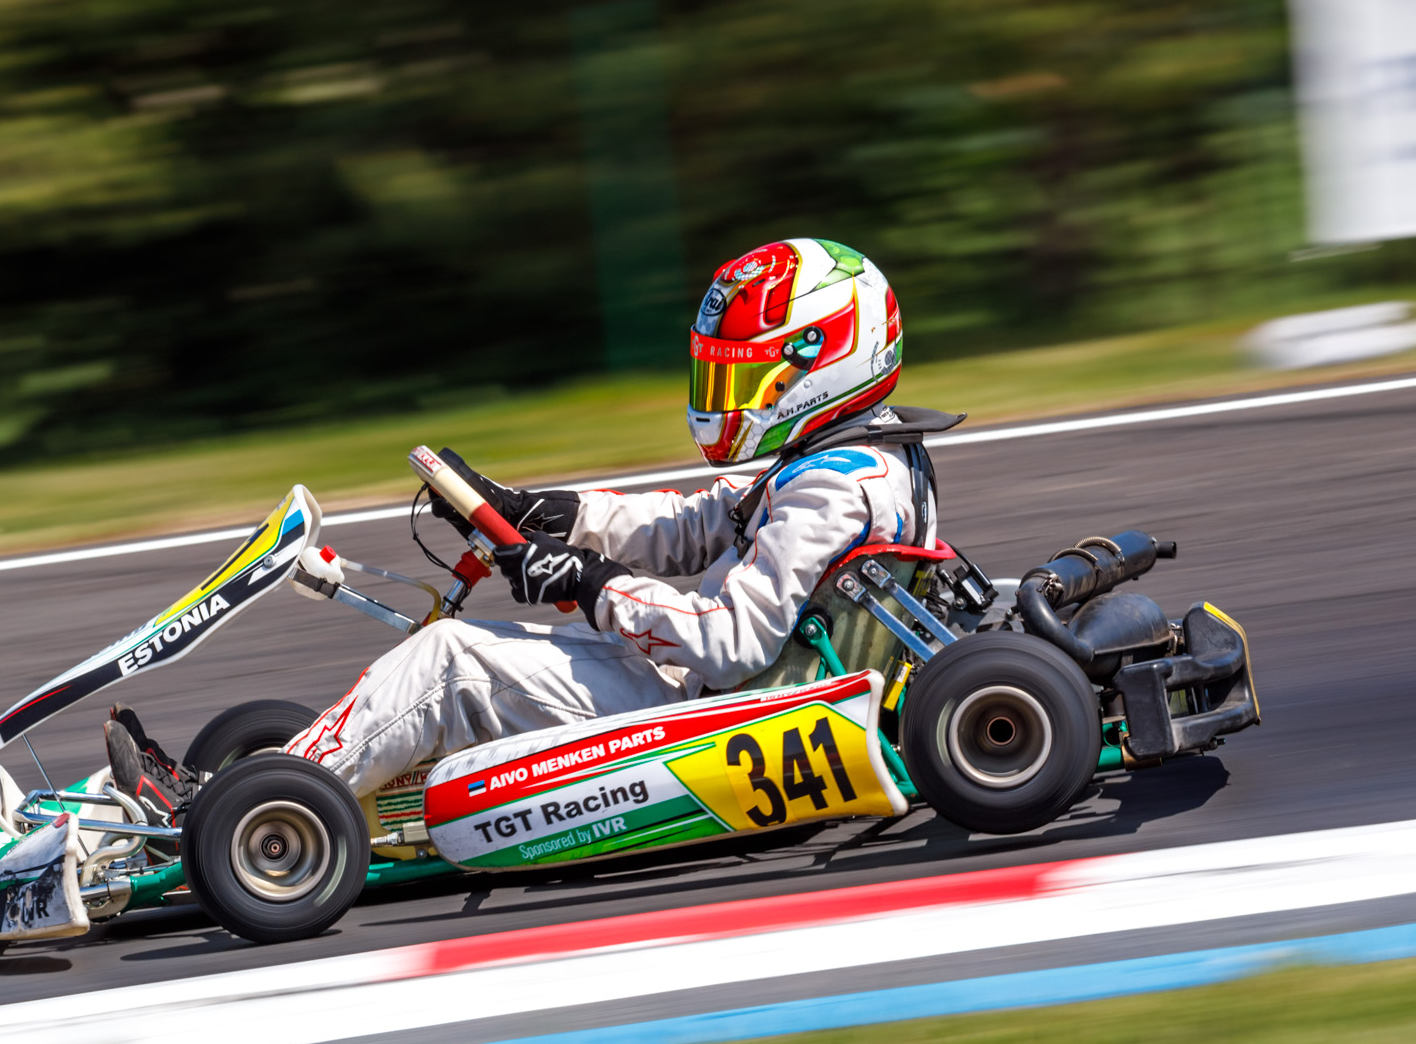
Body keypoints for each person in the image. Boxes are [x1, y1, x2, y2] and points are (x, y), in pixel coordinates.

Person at [264, 236, 946, 799]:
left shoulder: (831, 488)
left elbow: (730, 640)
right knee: (469, 656)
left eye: (747, 376)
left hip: (714, 718)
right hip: (724, 693)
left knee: (450, 662)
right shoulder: (859, 460)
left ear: (820, 362)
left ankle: (275, 803)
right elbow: (694, 525)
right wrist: (537, 513)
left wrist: (590, 582)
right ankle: (297, 778)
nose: (729, 397)